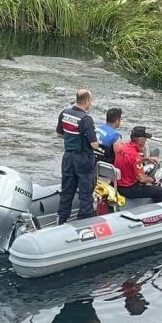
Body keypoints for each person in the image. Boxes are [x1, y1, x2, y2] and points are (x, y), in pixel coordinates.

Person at [56, 89, 100, 225]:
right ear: (87, 101)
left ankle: (62, 219)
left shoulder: (64, 113)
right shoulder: (86, 119)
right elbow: (94, 144)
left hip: (68, 157)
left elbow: (59, 134)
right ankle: (84, 221)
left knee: (67, 190)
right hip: (83, 159)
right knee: (86, 193)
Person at [114, 126, 162, 203]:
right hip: (128, 189)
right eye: (145, 138)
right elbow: (142, 179)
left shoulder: (124, 147)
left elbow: (129, 161)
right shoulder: (135, 156)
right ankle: (157, 211)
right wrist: (154, 180)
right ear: (140, 140)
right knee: (160, 191)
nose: (146, 140)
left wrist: (146, 159)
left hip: (118, 185)